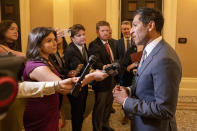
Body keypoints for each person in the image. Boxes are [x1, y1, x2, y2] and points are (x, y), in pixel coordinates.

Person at [113, 8, 182, 131]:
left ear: (150, 26)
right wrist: (128, 90)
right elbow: (146, 86)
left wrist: (125, 101)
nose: (131, 31)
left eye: (134, 25)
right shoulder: (149, 50)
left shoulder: (165, 59)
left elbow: (165, 110)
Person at [88, 21, 116, 131]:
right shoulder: (94, 44)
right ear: (97, 32)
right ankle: (97, 128)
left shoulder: (113, 43)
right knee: (100, 107)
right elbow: (95, 62)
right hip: (101, 81)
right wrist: (105, 66)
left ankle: (105, 125)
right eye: (103, 31)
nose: (105, 33)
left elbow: (115, 58)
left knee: (108, 105)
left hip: (112, 79)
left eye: (107, 30)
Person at [64, 24, 88, 131]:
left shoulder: (83, 46)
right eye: (79, 35)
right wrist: (94, 72)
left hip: (84, 83)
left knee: (82, 111)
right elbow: (78, 69)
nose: (82, 37)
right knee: (77, 112)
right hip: (76, 85)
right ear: (72, 38)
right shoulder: (70, 50)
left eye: (83, 34)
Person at [115, 20, 137, 124]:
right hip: (122, 74)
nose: (126, 31)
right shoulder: (117, 42)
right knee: (124, 94)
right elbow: (116, 58)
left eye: (128, 28)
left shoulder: (137, 40)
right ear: (121, 30)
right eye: (124, 29)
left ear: (131, 29)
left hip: (134, 72)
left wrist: (134, 66)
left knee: (135, 94)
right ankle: (126, 115)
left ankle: (135, 113)